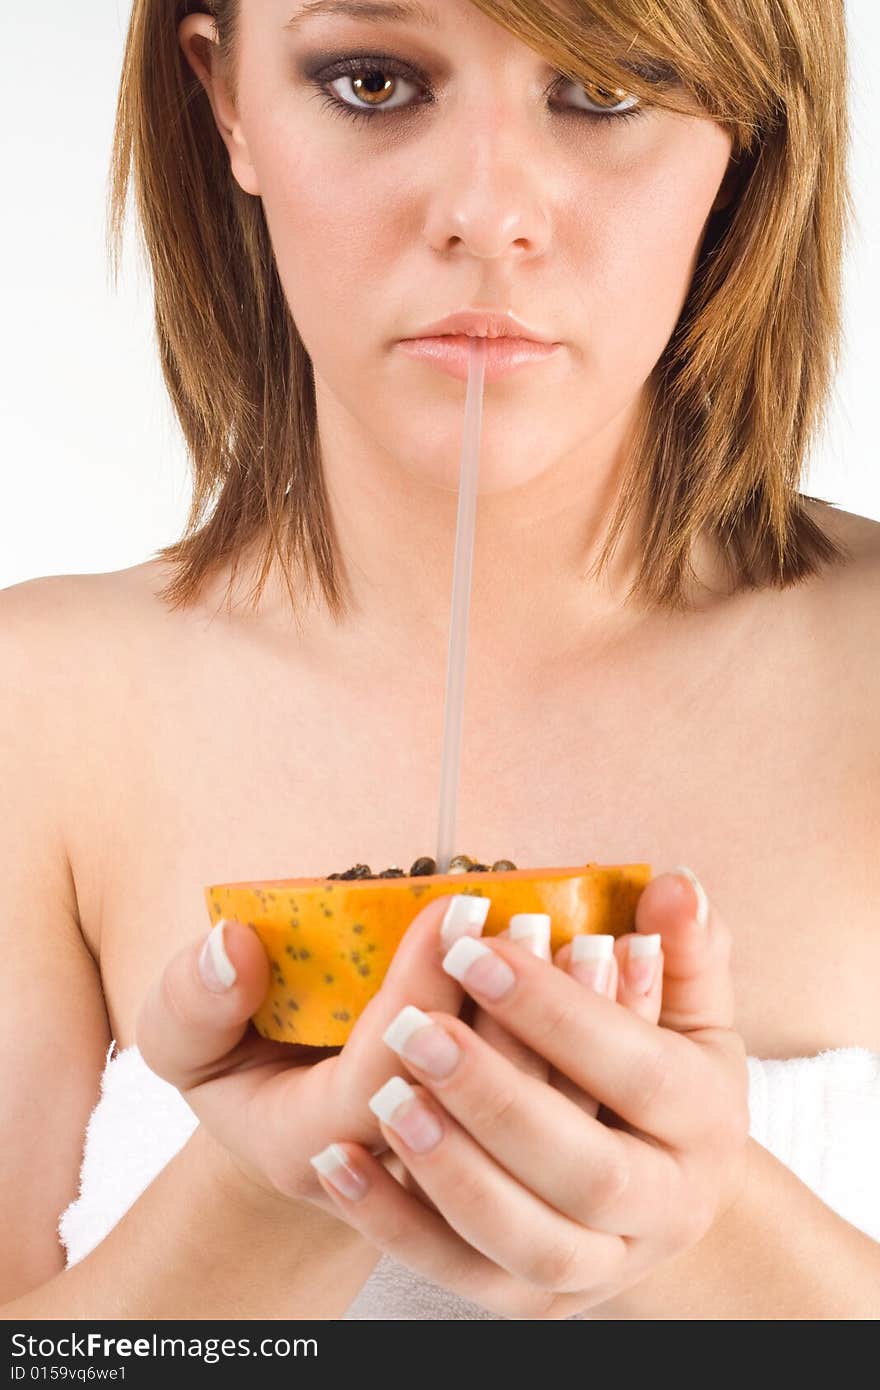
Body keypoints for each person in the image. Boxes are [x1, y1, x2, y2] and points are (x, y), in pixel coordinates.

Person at [2, 0, 879, 1320]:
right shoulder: (42, 710)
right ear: (226, 95)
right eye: (371, 81)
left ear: (748, 128)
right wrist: (272, 1190)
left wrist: (696, 1220)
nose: (487, 212)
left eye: (605, 88)